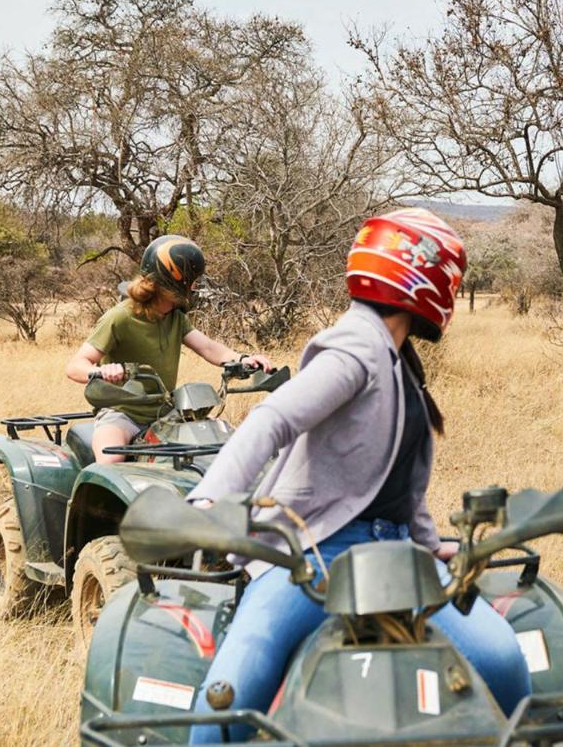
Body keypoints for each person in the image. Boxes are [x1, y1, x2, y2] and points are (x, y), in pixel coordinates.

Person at [185, 208, 532, 742]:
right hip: (317, 553)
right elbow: (273, 419)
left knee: (503, 658)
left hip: (398, 558)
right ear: (426, 277)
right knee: (229, 690)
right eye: (451, 280)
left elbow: (397, 483)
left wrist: (427, 542)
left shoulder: (402, 362)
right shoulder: (356, 346)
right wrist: (211, 503)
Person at [64, 235, 273, 464]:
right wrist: (103, 372)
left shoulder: (174, 318)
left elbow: (208, 347)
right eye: (192, 281)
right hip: (122, 414)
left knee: (217, 445)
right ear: (175, 281)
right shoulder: (120, 317)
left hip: (166, 413)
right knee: (109, 462)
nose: (194, 287)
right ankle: (78, 501)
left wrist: (242, 359)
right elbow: (75, 367)